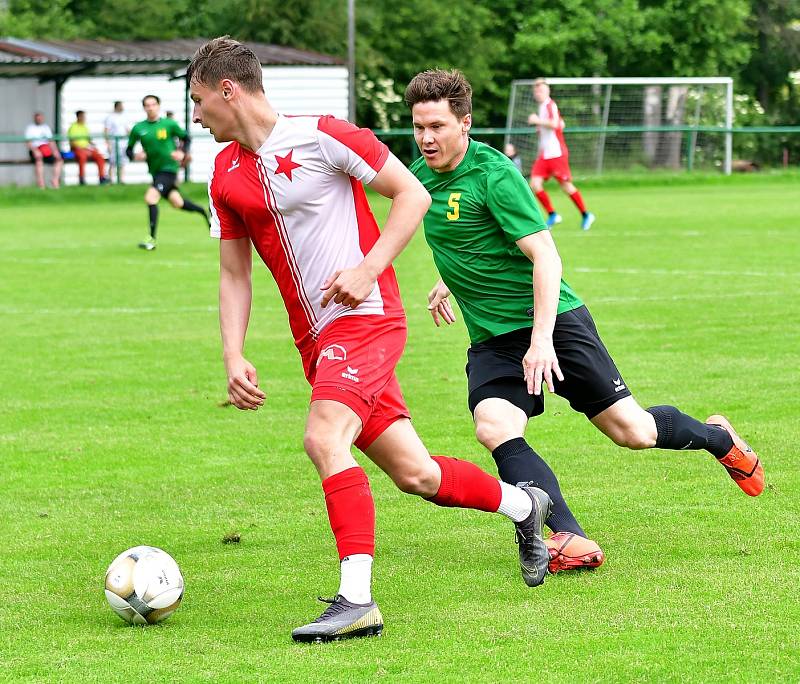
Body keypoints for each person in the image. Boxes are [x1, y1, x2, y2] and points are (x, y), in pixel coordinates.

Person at [187, 36, 553, 643]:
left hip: (367, 320)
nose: (198, 117)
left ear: (230, 90)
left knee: (323, 437)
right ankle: (525, 506)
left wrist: (367, 267)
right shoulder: (223, 173)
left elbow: (409, 194)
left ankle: (356, 600)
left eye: (201, 101)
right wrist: (233, 352)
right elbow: (233, 270)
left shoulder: (324, 134)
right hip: (316, 340)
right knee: (417, 474)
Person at [404, 68, 764, 573]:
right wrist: (452, 278)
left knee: (632, 432)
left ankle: (719, 439)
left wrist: (542, 340)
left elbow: (546, 258)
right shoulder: (417, 179)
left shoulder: (494, 174)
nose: (426, 138)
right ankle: (568, 537)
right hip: (492, 338)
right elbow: (468, 238)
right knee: (494, 426)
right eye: (419, 126)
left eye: (437, 126)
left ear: (465, 123)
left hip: (554, 323)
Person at [126, 94, 209, 251]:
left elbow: (187, 138)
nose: (150, 107)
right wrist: (136, 156)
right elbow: (128, 151)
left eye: (153, 104)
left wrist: (182, 152)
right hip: (156, 172)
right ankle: (204, 212)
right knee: (177, 203)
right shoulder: (138, 128)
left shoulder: (169, 124)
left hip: (169, 169)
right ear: (144, 108)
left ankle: (151, 239)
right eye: (147, 105)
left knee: (151, 197)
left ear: (158, 106)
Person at [526, 78, 594, 230]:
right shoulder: (542, 106)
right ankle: (552, 214)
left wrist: (538, 121)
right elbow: (559, 123)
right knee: (535, 184)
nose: (538, 93)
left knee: (566, 186)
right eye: (536, 90)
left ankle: (586, 214)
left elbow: (555, 124)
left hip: (556, 154)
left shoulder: (550, 105)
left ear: (547, 91)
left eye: (541, 90)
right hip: (544, 155)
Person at [67, 110, 109, 185]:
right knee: (82, 157)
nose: (84, 118)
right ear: (78, 117)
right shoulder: (73, 127)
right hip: (77, 149)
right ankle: (81, 178)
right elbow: (72, 142)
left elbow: (88, 140)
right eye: (83, 116)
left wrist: (93, 146)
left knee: (99, 156)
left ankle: (102, 177)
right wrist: (83, 149)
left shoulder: (85, 127)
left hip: (86, 148)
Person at [24, 112, 63, 189]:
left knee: (59, 160)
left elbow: (51, 141)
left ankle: (55, 181)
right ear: (34, 118)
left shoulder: (46, 128)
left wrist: (55, 151)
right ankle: (41, 183)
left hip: (46, 150)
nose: (39, 119)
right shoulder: (30, 128)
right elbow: (28, 142)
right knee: (39, 160)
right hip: (35, 150)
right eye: (37, 118)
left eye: (40, 118)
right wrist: (35, 151)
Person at [104, 101, 130, 184]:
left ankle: (122, 179)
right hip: (114, 142)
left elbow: (127, 129)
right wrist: (108, 143)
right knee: (113, 162)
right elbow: (106, 130)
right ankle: (111, 179)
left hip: (123, 142)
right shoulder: (110, 117)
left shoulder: (124, 117)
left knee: (122, 162)